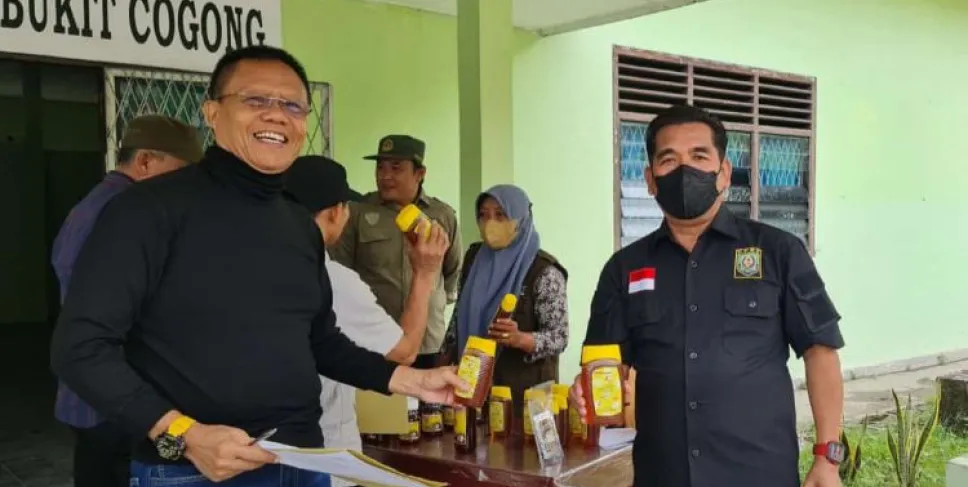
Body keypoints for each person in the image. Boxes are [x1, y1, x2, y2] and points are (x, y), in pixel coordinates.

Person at [50, 45, 464, 487]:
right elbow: (80, 348)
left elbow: (320, 341)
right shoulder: (148, 211)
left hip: (303, 461)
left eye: (292, 105)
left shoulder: (297, 224)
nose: (276, 114)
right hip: (193, 471)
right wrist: (182, 436)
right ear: (212, 113)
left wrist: (409, 380)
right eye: (255, 100)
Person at [570, 104, 845, 487]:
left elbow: (821, 352)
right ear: (650, 180)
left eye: (699, 156)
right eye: (669, 160)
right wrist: (583, 393)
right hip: (663, 476)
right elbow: (603, 365)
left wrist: (827, 459)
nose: (685, 170)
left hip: (758, 474)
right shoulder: (623, 269)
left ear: (724, 173)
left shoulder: (779, 252)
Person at [51, 114, 203, 487]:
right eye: (180, 173)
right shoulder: (127, 210)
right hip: (113, 390)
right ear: (145, 161)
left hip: (95, 389)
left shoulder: (96, 203)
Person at [284, 155, 444, 470]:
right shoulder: (333, 280)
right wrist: (425, 274)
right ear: (335, 212)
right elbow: (403, 353)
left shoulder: (259, 266)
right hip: (323, 452)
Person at [439, 184, 568, 425]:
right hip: (472, 386)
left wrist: (521, 339)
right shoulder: (474, 260)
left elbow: (559, 337)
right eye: (483, 215)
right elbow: (459, 317)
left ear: (521, 220)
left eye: (500, 215)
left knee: (519, 448)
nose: (490, 223)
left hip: (526, 398)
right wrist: (443, 359)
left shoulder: (544, 271)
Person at [331, 135, 461, 370]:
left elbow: (452, 273)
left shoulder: (443, 216)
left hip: (428, 342)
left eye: (396, 168)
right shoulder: (358, 213)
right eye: (380, 167)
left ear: (420, 173)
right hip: (377, 339)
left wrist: (433, 300)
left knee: (428, 393)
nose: (385, 176)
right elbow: (340, 273)